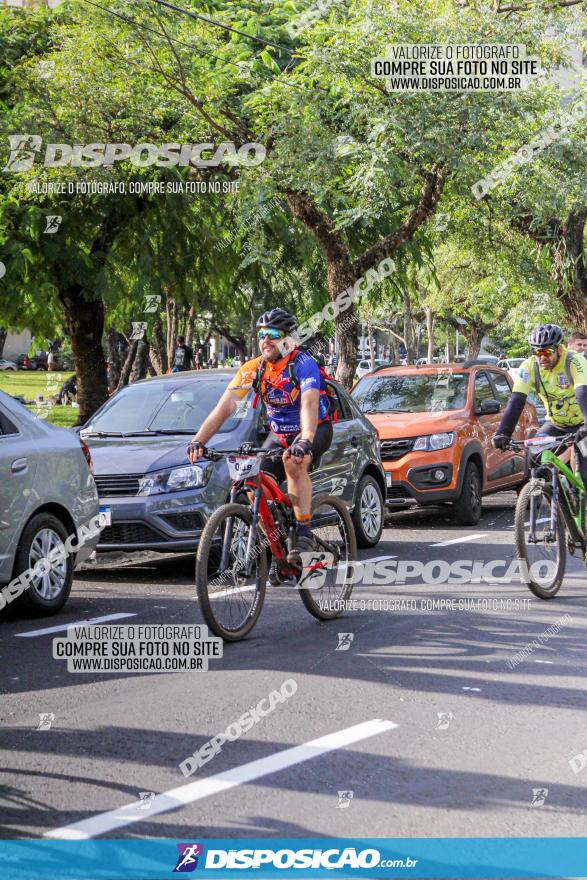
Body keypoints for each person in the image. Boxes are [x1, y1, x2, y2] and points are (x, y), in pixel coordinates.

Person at [187, 308, 334, 582]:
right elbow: (225, 407)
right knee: (254, 482)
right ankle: (279, 547)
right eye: (262, 335)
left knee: (294, 462)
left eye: (273, 335)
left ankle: (302, 531)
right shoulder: (253, 369)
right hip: (279, 433)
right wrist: (199, 440)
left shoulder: (303, 364)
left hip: (313, 428)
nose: (265, 340)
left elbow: (309, 404)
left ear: (289, 340)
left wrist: (305, 440)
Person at [492, 324, 587, 481]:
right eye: (537, 352)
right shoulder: (529, 367)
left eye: (547, 351)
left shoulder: (575, 361)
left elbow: (583, 393)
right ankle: (550, 496)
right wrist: (503, 432)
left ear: (559, 349)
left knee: (584, 472)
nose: (542, 357)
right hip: (556, 424)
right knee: (535, 457)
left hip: (582, 424)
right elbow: (516, 400)